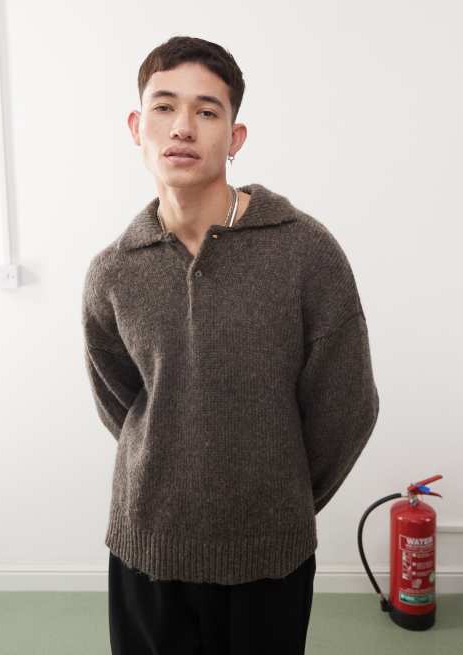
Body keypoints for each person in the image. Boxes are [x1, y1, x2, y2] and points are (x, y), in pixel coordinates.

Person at [81, 35, 380, 655]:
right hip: (147, 549)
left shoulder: (305, 252)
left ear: (235, 136)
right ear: (137, 127)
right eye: (164, 106)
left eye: (207, 110)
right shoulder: (113, 271)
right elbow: (124, 406)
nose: (182, 127)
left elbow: (347, 406)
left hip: (269, 557)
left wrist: (281, 498)